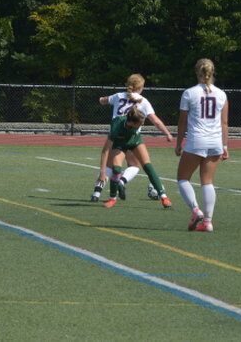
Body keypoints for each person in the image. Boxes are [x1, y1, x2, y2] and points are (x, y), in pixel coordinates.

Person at [92, 74, 174, 208]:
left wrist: (100, 99)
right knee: (131, 167)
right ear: (140, 87)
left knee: (130, 166)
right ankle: (113, 197)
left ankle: (163, 196)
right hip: (121, 137)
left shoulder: (118, 96)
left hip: (132, 138)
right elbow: (156, 121)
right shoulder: (143, 101)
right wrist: (167, 134)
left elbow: (104, 100)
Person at [175, 58, 228, 232]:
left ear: (196, 72)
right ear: (212, 72)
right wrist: (225, 146)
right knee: (207, 182)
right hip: (215, 141)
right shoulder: (221, 94)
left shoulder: (189, 93)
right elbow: (224, 123)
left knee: (183, 178)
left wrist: (178, 143)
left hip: (197, 140)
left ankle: (196, 210)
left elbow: (182, 121)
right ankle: (208, 222)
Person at [98, 106, 170, 209]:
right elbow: (105, 150)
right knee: (116, 169)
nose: (142, 124)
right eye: (140, 123)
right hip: (119, 145)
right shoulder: (117, 126)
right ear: (132, 122)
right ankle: (112, 199)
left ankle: (164, 197)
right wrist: (102, 172)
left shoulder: (134, 123)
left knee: (148, 166)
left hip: (135, 141)